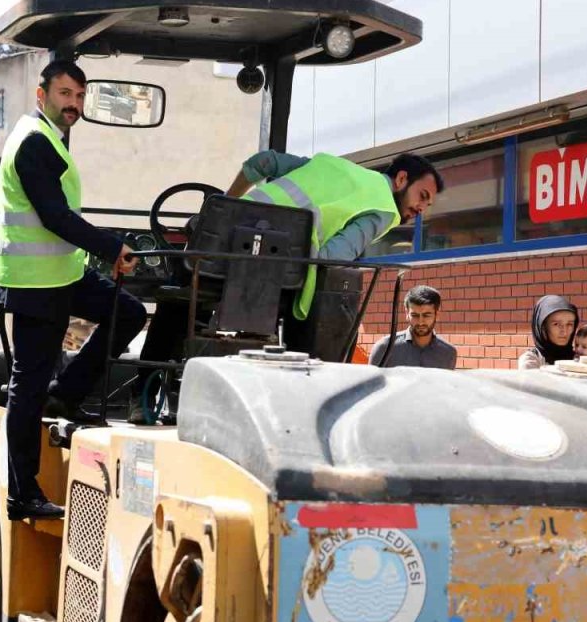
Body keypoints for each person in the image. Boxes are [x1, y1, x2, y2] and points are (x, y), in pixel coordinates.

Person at [130, 152, 445, 423]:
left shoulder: (328, 163)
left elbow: (262, 162)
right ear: (402, 179)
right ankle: (293, 407)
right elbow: (331, 258)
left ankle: (140, 399)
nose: (423, 210)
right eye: (423, 197)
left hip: (217, 254)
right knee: (309, 317)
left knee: (179, 299)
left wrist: (222, 209)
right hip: (274, 279)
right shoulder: (382, 209)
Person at [0, 60, 148, 520]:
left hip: (62, 274)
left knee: (128, 313)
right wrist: (112, 248)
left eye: (78, 96)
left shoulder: (37, 137)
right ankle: (21, 492)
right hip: (35, 284)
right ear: (42, 95)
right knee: (26, 387)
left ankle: (68, 392)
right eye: (65, 94)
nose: (73, 104)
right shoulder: (34, 142)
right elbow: (55, 217)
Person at [369, 285, 457, 369]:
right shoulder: (385, 348)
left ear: (437, 314)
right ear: (407, 313)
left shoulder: (448, 353)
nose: (420, 322)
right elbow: (370, 384)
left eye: (426, 315)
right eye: (415, 315)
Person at [518, 295, 579, 370]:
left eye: (569, 324)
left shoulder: (579, 358)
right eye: (556, 324)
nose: (564, 331)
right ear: (543, 327)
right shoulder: (531, 359)